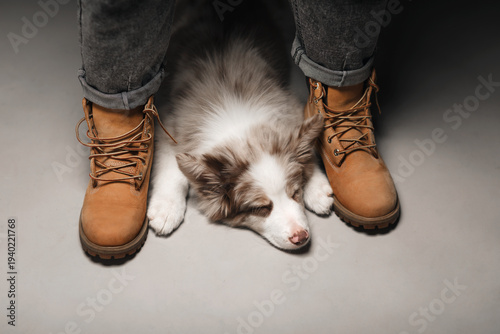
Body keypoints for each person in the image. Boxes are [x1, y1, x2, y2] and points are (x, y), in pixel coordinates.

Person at [76, 0, 400, 259]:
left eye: (293, 193)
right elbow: (177, 144)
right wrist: (170, 190)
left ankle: (338, 91)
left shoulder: (285, 140)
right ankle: (118, 113)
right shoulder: (212, 166)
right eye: (262, 208)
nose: (298, 229)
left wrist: (308, 173)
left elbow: (180, 142)